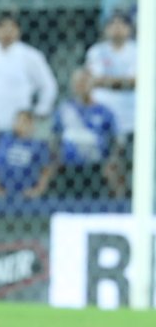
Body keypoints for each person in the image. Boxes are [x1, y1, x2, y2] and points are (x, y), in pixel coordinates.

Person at [0, 13, 58, 133]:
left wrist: (39, 111)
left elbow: (48, 86)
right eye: (2, 27)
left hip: (18, 126)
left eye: (12, 27)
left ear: (18, 30)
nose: (7, 32)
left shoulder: (30, 55)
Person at [85, 14, 136, 197]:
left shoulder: (139, 50)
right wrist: (123, 82)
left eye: (122, 24)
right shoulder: (96, 51)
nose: (117, 28)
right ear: (106, 29)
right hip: (102, 119)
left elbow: (137, 81)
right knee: (107, 166)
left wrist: (105, 81)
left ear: (129, 29)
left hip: (133, 120)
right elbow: (93, 79)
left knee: (131, 164)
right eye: (112, 24)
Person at [54, 68, 118, 198]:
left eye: (84, 81)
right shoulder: (64, 109)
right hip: (68, 166)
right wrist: (57, 158)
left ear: (92, 84)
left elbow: (115, 141)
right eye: (78, 82)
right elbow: (54, 137)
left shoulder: (104, 111)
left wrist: (111, 161)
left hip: (97, 167)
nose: (81, 86)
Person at [0, 110, 54, 199]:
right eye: (18, 120)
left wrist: (37, 191)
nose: (20, 124)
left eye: (25, 121)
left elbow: (45, 171)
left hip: (28, 193)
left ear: (32, 125)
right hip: (4, 192)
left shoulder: (39, 145)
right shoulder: (4, 142)